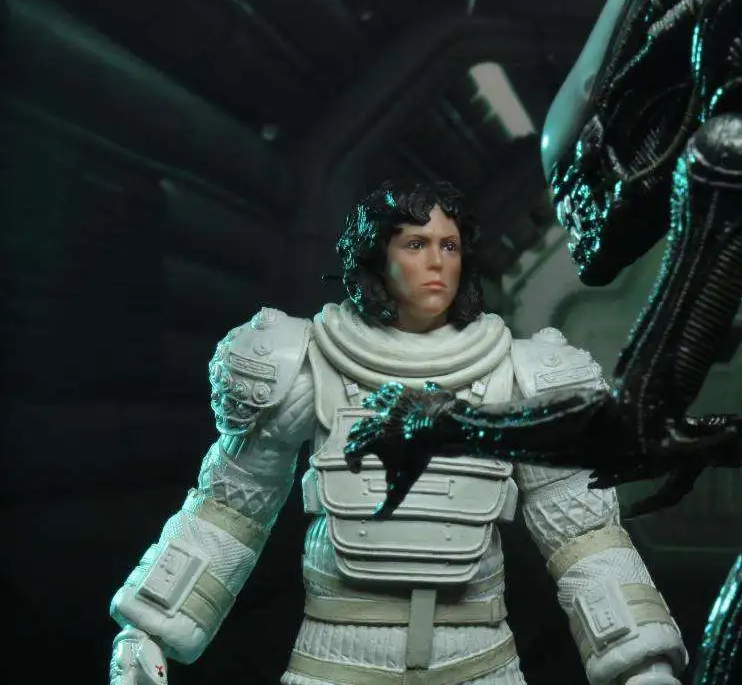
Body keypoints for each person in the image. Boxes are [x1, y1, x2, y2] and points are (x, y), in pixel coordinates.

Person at [108, 178, 687, 685]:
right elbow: (230, 507)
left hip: (479, 658)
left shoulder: (520, 374)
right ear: (376, 254)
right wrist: (148, 628)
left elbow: (581, 531)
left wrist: (640, 657)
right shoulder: (309, 363)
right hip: (335, 658)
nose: (437, 261)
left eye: (449, 245)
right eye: (416, 244)